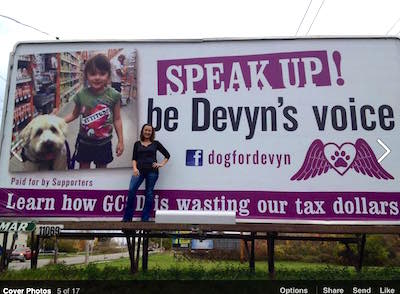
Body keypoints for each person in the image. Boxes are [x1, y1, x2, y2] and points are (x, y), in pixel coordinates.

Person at [64, 54, 124, 169]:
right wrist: (57, 121)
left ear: (108, 76)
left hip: (104, 143)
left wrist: (121, 141)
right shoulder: (81, 95)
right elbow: (74, 114)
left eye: (102, 74)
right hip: (84, 142)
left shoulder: (114, 95)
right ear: (86, 76)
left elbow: (117, 119)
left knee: (101, 170)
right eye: (92, 74)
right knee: (84, 169)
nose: (97, 77)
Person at [122, 124, 170, 222]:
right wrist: (135, 169)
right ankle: (127, 218)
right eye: (146, 130)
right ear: (142, 131)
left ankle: (145, 218)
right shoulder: (137, 144)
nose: (147, 132)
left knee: (149, 193)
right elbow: (134, 158)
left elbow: (167, 155)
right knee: (131, 190)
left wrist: (161, 164)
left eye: (149, 131)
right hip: (139, 171)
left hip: (152, 172)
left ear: (152, 132)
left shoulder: (156, 143)